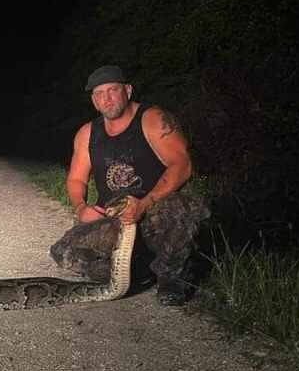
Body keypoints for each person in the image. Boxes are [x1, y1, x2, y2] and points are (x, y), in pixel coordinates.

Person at [64, 65, 209, 306]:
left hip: (154, 207)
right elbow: (76, 179)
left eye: (112, 90)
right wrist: (81, 208)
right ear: (93, 100)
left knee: (180, 208)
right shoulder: (87, 133)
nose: (107, 98)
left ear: (128, 90)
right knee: (66, 253)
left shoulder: (153, 119)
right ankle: (139, 269)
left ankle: (172, 276)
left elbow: (181, 165)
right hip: (115, 215)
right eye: (99, 93)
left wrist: (143, 204)